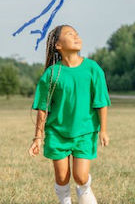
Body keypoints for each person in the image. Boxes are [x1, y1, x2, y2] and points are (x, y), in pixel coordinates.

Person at [28, 25, 111, 204]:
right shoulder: (52, 74)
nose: (76, 36)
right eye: (70, 34)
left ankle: (85, 191)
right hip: (57, 133)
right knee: (62, 177)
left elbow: (101, 102)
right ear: (58, 45)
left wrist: (103, 130)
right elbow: (43, 108)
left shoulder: (92, 69)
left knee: (81, 177)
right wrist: (37, 138)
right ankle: (65, 200)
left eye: (77, 34)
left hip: (85, 132)